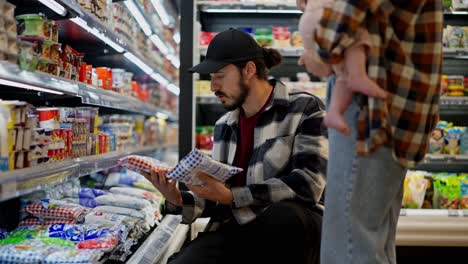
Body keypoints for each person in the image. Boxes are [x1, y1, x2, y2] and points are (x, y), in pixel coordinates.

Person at [146, 29, 327, 264]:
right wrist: (178, 199)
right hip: (239, 228)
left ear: (249, 70)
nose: (213, 86)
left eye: (219, 76)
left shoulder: (304, 108)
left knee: (282, 218)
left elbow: (308, 184)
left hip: (295, 229)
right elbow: (218, 198)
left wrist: (232, 196)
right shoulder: (225, 125)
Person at [296, 0, 443, 263]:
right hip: (395, 104)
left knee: (350, 244)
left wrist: (319, 39)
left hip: (369, 108)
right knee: (372, 241)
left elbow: (344, 16)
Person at [297, 0, 387, 135]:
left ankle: (334, 112)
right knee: (356, 35)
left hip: (311, 17)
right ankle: (358, 75)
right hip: (328, 14)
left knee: (343, 74)